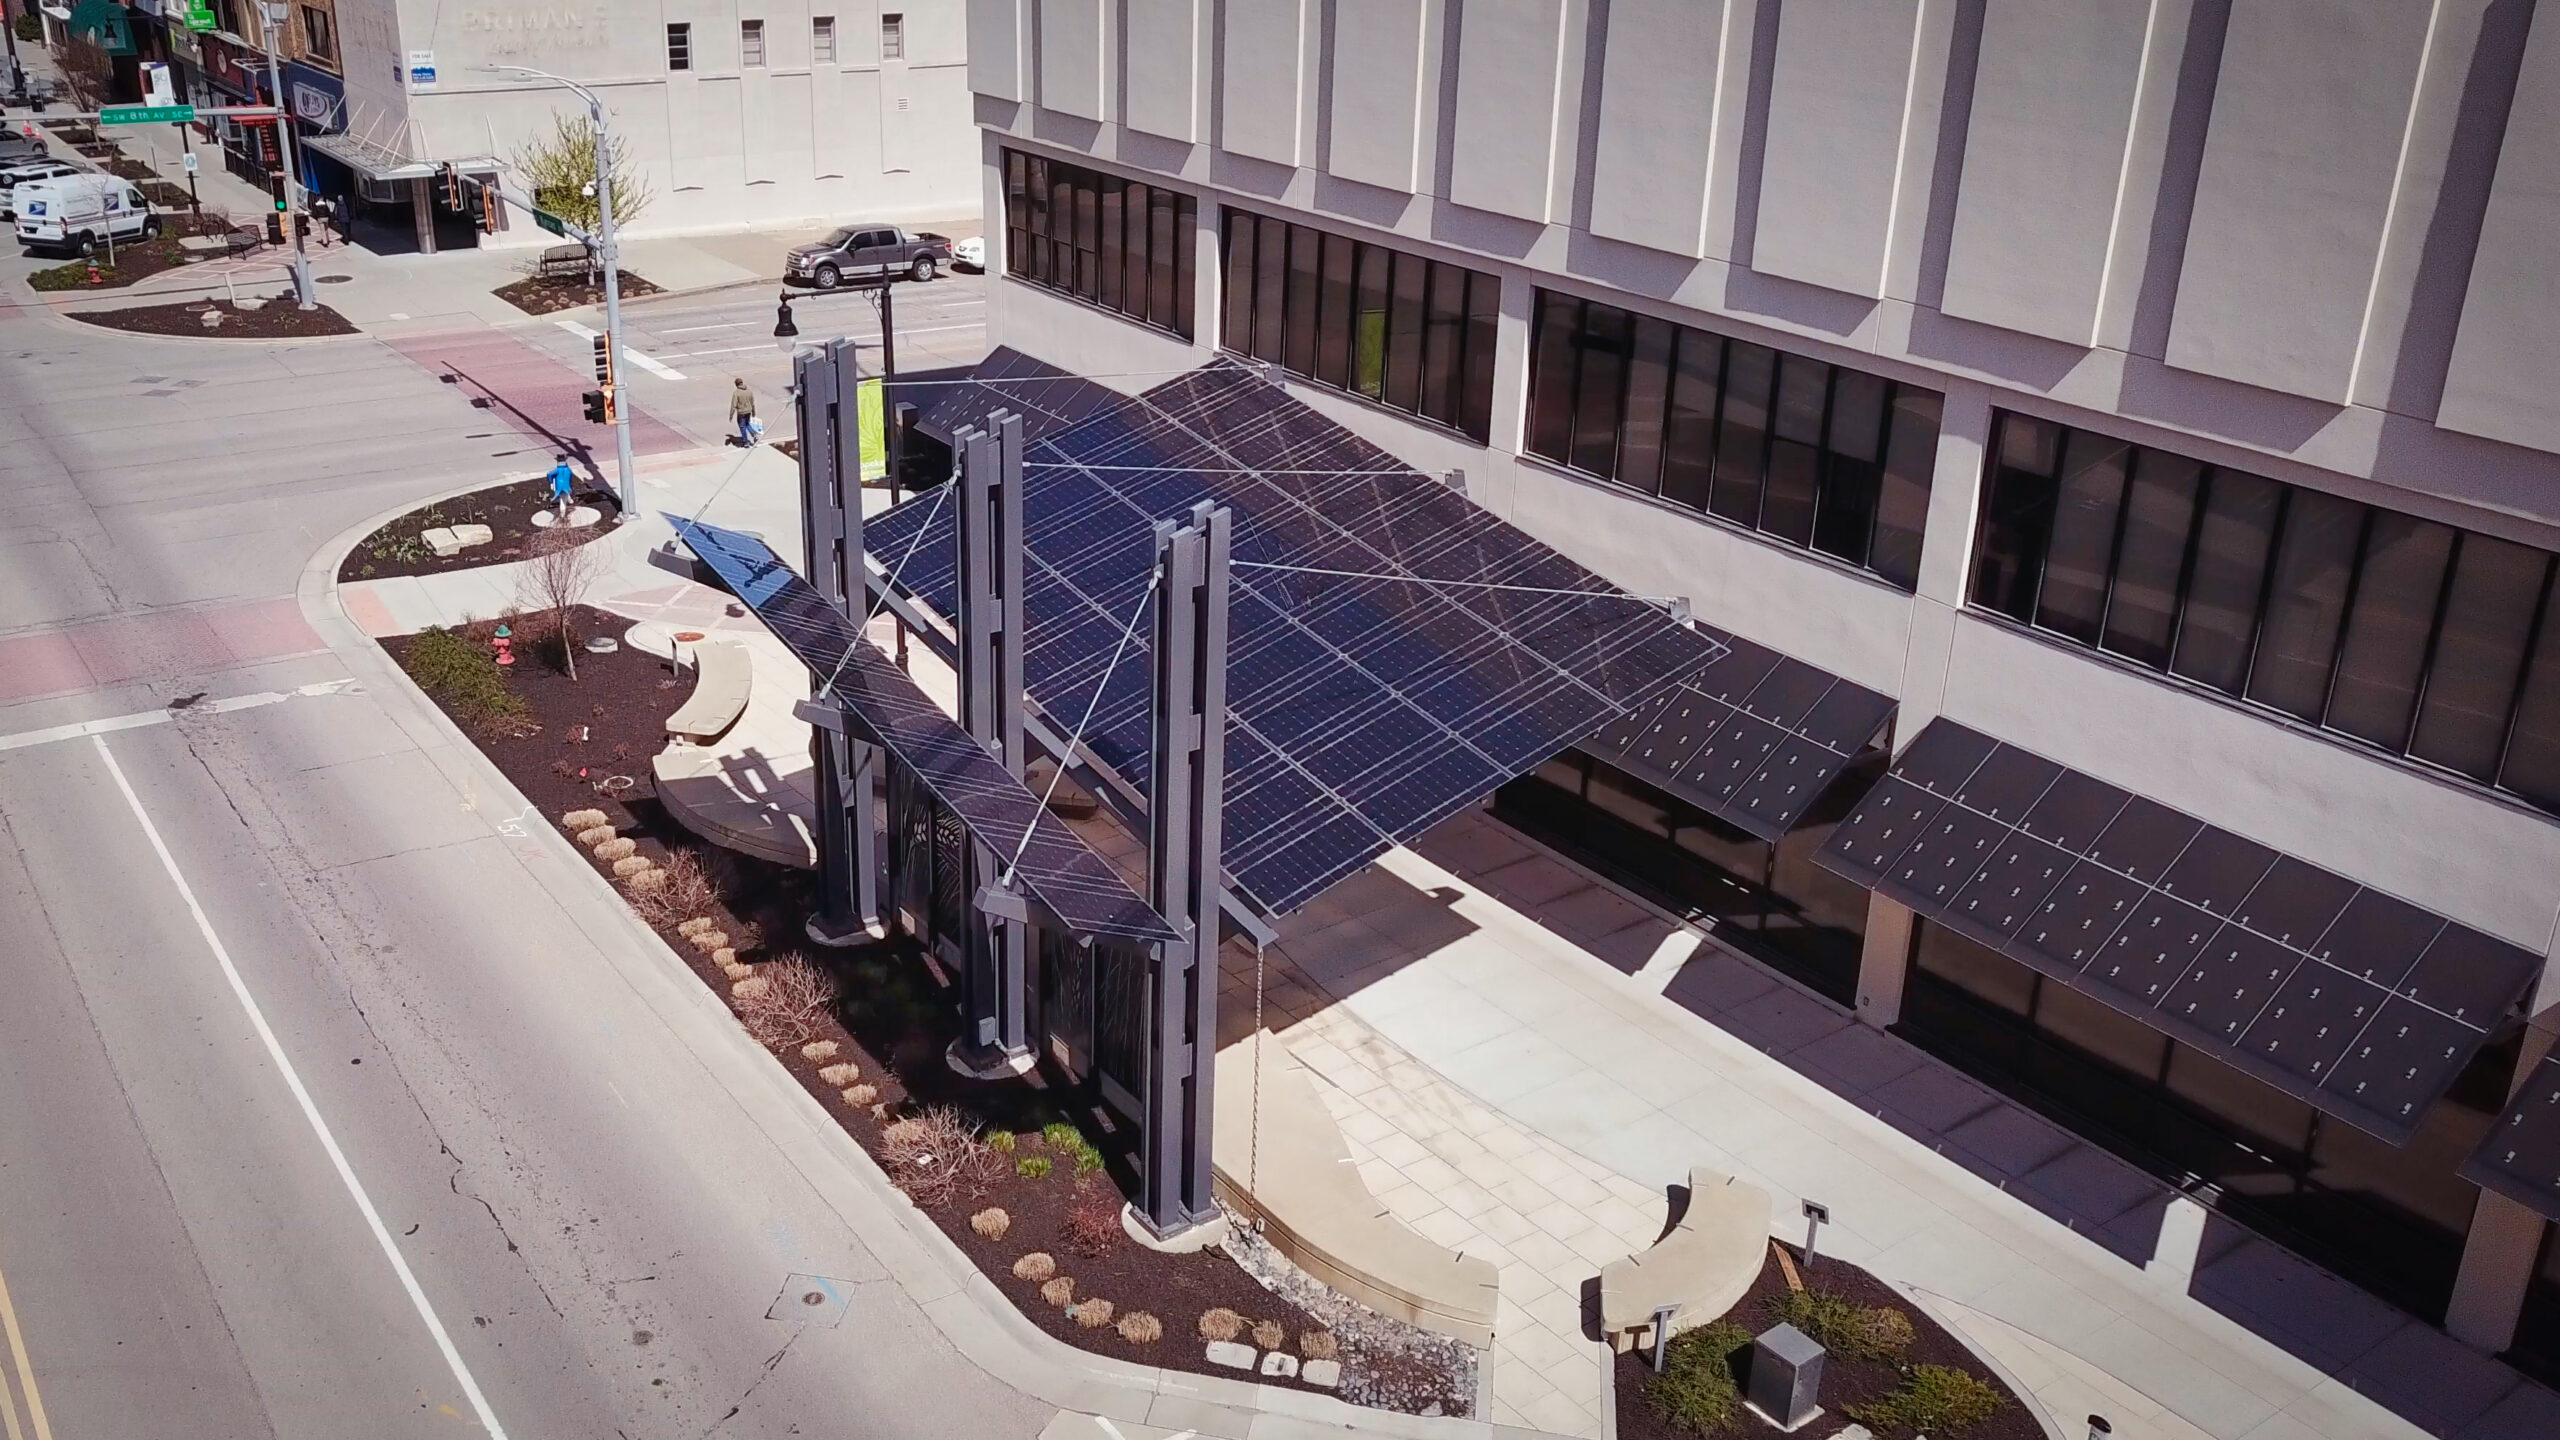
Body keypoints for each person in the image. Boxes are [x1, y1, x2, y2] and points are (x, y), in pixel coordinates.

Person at [729, 378, 757, 446]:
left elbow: (733, 405)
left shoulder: (736, 393)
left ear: (736, 384)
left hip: (741, 412)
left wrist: (731, 415)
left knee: (742, 427)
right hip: (748, 411)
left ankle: (746, 441)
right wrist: (753, 412)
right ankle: (754, 435)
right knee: (747, 424)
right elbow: (752, 403)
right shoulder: (749, 391)